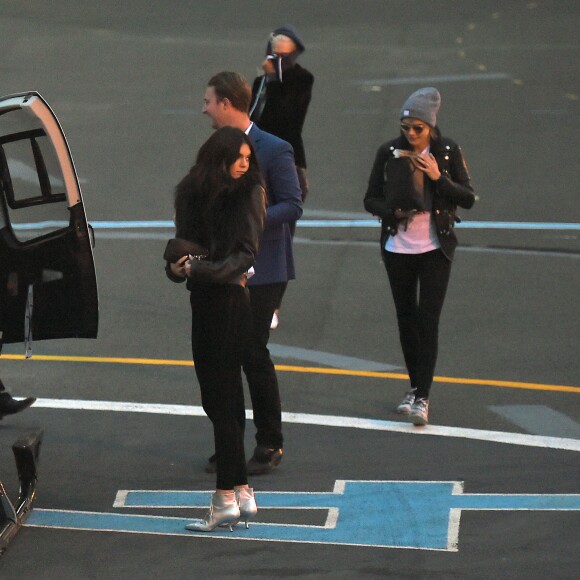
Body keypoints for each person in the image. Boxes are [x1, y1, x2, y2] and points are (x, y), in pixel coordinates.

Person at [202, 71, 303, 474]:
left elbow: (292, 205)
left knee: (251, 351)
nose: (204, 108)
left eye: (208, 100)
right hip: (227, 267)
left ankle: (269, 442)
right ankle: (230, 442)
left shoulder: (274, 149)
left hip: (264, 269)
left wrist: (250, 218)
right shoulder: (215, 148)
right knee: (225, 355)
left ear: (226, 103)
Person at [166, 126, 266, 532]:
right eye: (238, 157)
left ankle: (225, 496)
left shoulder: (249, 192)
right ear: (218, 157)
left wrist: (199, 270)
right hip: (205, 300)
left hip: (228, 301)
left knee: (221, 399)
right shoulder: (191, 192)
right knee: (219, 398)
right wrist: (176, 268)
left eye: (248, 157)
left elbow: (245, 254)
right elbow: (182, 247)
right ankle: (241, 489)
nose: (245, 164)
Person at [364, 87, 476, 426]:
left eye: (417, 128)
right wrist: (391, 213)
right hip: (398, 247)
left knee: (428, 321)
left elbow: (468, 197)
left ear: (430, 126)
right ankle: (415, 386)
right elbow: (370, 198)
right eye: (405, 126)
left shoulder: (446, 151)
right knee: (406, 319)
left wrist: (437, 177)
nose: (410, 134)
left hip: (434, 247)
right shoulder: (388, 152)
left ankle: (423, 396)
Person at [250, 24, 314, 329]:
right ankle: (252, 289)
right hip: (258, 164)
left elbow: (288, 120)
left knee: (283, 236)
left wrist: (275, 79)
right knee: (253, 231)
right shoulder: (260, 83)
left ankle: (274, 302)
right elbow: (253, 120)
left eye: (282, 56)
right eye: (272, 55)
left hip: (288, 166)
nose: (276, 61)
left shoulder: (301, 80)